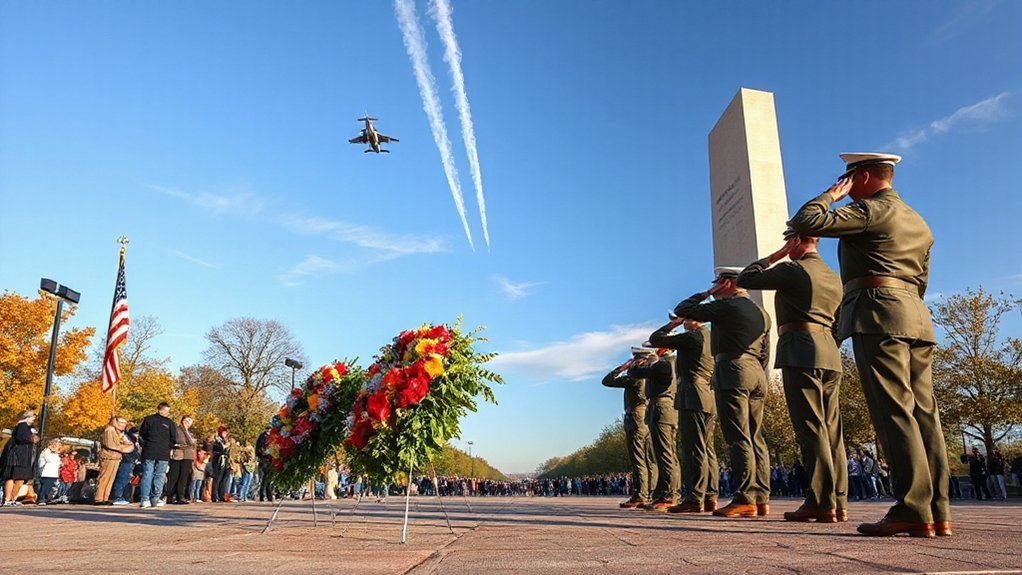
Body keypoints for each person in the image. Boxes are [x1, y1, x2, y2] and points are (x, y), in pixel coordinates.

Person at [788, 152, 951, 538]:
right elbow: (922, 279)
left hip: (878, 315)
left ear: (859, 178)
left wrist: (831, 194)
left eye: (846, 180)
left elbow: (806, 220)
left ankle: (911, 506)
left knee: (893, 410)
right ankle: (937, 511)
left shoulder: (872, 210)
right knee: (925, 414)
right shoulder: (919, 221)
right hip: (915, 315)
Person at [737, 234, 848, 523]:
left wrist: (775, 256)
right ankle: (839, 501)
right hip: (829, 352)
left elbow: (747, 278)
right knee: (832, 431)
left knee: (810, 428)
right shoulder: (832, 276)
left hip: (801, 350)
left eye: (788, 241)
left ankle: (821, 502)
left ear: (796, 240)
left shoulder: (793, 269)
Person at [675, 267, 771, 518]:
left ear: (726, 283)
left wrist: (706, 293)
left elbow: (682, 309)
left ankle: (745, 497)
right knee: (756, 438)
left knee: (739, 437)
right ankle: (761, 498)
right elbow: (765, 352)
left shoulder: (727, 306)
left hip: (733, 370)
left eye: (717, 283)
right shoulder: (762, 312)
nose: (715, 289)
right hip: (756, 373)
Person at [648, 316, 719, 514]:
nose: (683, 322)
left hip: (692, 394)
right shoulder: (710, 336)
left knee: (694, 449)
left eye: (685, 318)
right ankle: (710, 496)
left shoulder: (692, 337)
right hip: (706, 393)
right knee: (707, 449)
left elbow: (656, 338)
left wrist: (672, 325)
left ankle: (695, 498)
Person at [625, 347, 679, 511]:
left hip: (662, 407)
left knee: (665, 454)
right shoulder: (665, 364)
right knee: (663, 454)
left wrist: (648, 360)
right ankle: (663, 493)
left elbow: (636, 374)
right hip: (660, 408)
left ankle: (669, 495)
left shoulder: (666, 363)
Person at [601, 349, 657, 508]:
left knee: (638, 458)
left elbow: (607, 381)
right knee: (648, 458)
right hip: (645, 417)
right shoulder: (651, 376)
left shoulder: (635, 377)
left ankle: (641, 495)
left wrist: (622, 368)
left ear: (640, 361)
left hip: (635, 418)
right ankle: (649, 493)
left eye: (634, 359)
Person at [138, 402, 177, 508]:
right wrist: (169, 448)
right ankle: (155, 497)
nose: (167, 413)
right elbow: (174, 439)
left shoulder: (148, 420)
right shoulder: (169, 423)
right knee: (159, 475)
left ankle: (145, 499)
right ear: (162, 410)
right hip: (162, 452)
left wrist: (145, 445)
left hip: (149, 450)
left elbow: (141, 436)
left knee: (147, 474)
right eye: (167, 411)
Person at [1, 411, 38, 506]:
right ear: (27, 417)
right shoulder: (22, 426)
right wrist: (33, 438)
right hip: (17, 456)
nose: (33, 419)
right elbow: (21, 439)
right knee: (11, 477)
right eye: (32, 417)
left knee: (20, 479)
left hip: (23, 456)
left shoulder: (26, 427)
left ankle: (13, 498)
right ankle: (7, 498)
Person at [95, 416, 131, 505]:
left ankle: (105, 497)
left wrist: (125, 444)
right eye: (121, 422)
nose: (123, 425)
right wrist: (123, 447)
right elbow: (110, 444)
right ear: (115, 422)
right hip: (108, 457)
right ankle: (99, 498)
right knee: (104, 477)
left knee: (111, 478)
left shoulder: (118, 432)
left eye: (124, 423)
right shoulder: (109, 430)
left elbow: (129, 444)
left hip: (116, 457)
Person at [167, 415, 197, 504]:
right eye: (187, 420)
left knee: (184, 476)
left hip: (188, 455)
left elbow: (193, 444)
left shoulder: (190, 433)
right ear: (182, 421)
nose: (189, 423)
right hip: (179, 454)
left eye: (190, 421)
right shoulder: (178, 430)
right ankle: (170, 495)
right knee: (174, 476)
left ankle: (181, 495)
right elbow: (177, 441)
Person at [111, 426, 140, 505]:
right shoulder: (125, 438)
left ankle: (124, 497)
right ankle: (117, 497)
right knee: (122, 479)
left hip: (131, 461)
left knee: (127, 480)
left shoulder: (133, 440)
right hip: (126, 460)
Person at [35, 439, 63, 505]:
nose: (57, 448)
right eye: (56, 446)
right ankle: (41, 499)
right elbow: (48, 460)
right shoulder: (46, 452)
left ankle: (46, 498)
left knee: (50, 487)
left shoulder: (55, 453)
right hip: (46, 472)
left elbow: (57, 461)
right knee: (45, 486)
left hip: (53, 472)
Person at [210, 426, 232, 502]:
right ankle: (214, 495)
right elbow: (219, 449)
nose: (225, 434)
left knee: (224, 479)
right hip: (218, 461)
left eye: (226, 433)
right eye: (224, 432)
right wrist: (226, 446)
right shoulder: (217, 440)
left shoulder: (225, 440)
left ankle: (221, 495)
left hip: (225, 461)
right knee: (217, 478)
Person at [255, 426, 274, 502]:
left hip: (268, 459)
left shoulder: (268, 436)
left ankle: (266, 495)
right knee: (265, 478)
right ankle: (264, 495)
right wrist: (266, 453)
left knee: (267, 479)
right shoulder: (263, 437)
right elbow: (261, 448)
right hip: (265, 460)